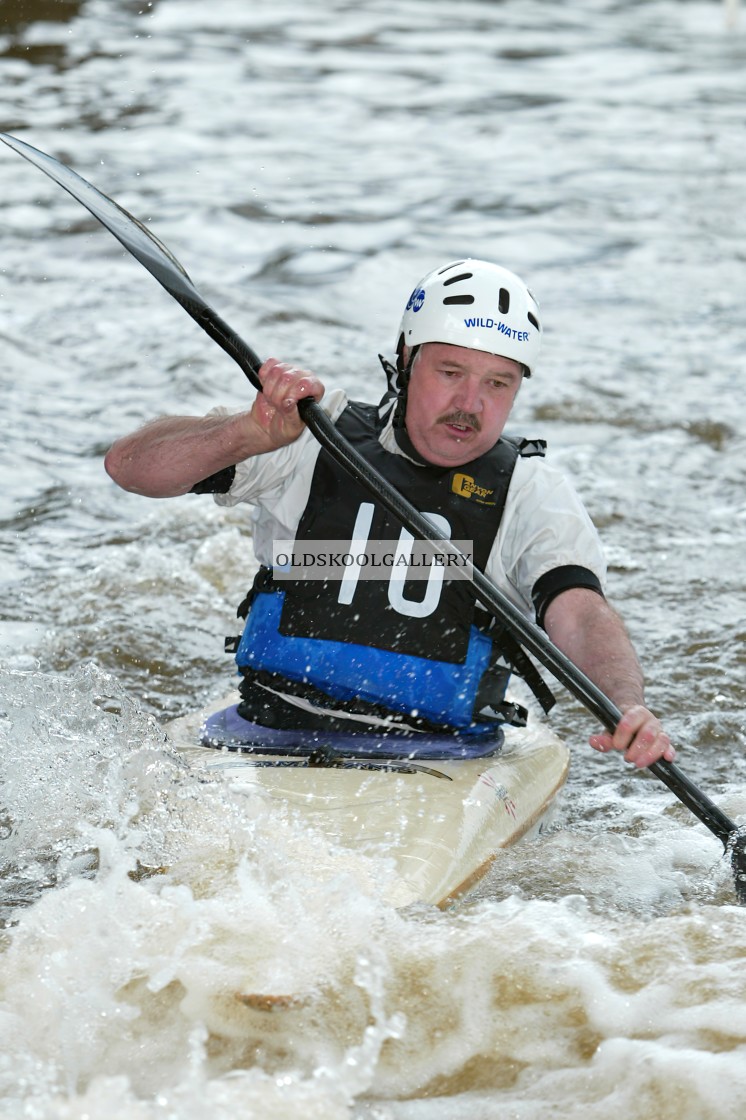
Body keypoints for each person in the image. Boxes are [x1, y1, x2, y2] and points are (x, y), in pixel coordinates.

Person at [105, 258, 674, 768]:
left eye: (497, 383)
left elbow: (579, 611)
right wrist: (246, 433)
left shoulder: (531, 490)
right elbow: (129, 468)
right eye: (450, 373)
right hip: (266, 728)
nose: (470, 405)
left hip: (442, 754)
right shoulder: (309, 435)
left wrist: (625, 705)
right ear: (406, 359)